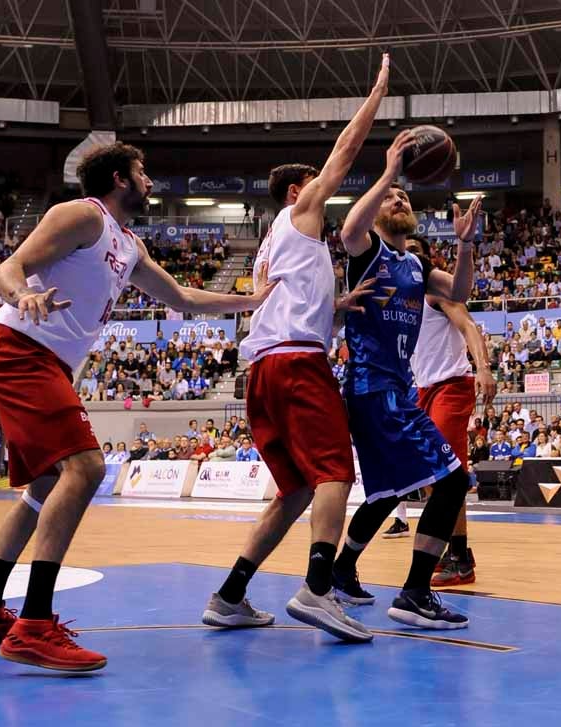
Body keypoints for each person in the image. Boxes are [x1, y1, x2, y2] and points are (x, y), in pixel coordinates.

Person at [0, 142, 274, 671]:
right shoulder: (83, 215)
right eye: (143, 171)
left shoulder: (128, 244)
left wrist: (251, 300)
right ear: (120, 178)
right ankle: (33, 624)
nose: (150, 180)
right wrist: (22, 296)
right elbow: (9, 269)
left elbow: (183, 300)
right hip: (19, 346)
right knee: (86, 468)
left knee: (43, 488)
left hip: (47, 360)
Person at [200, 55, 390, 644]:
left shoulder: (277, 245)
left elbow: (285, 304)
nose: (326, 191)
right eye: (315, 184)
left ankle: (229, 595)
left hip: (263, 370)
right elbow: (344, 153)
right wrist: (378, 93)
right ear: (294, 190)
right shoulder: (300, 212)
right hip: (296, 364)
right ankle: (317, 589)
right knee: (336, 471)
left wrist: (334, 305)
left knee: (295, 491)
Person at [327, 131, 480, 630]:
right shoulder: (366, 249)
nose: (399, 199)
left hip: (390, 390)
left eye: (405, 196)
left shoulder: (415, 263)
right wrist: (389, 172)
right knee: (454, 479)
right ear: (375, 211)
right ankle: (415, 592)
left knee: (387, 492)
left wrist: (465, 244)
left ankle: (342, 569)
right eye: (391, 197)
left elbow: (459, 290)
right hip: (377, 388)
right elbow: (349, 228)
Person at [379, 235, 496, 588]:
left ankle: (460, 556)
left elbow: (469, 327)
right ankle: (453, 551)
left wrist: (484, 369)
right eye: (404, 252)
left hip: (452, 385)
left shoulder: (436, 292)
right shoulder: (400, 301)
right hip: (422, 390)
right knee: (433, 479)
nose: (409, 257)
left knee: (447, 475)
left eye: (416, 252)